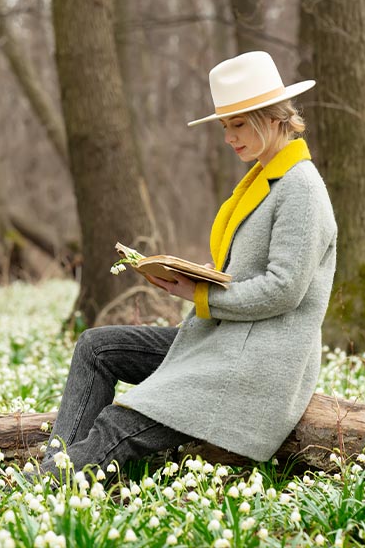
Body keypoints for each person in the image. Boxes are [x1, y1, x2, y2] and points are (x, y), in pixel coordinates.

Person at [39, 51, 338, 482]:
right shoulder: (264, 179)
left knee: (119, 425)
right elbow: (254, 274)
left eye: (237, 124)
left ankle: (49, 486)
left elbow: (284, 289)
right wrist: (196, 277)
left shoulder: (301, 188)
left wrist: (200, 293)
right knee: (96, 348)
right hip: (220, 343)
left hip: (255, 363)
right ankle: (56, 472)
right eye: (224, 126)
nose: (228, 137)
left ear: (273, 118)